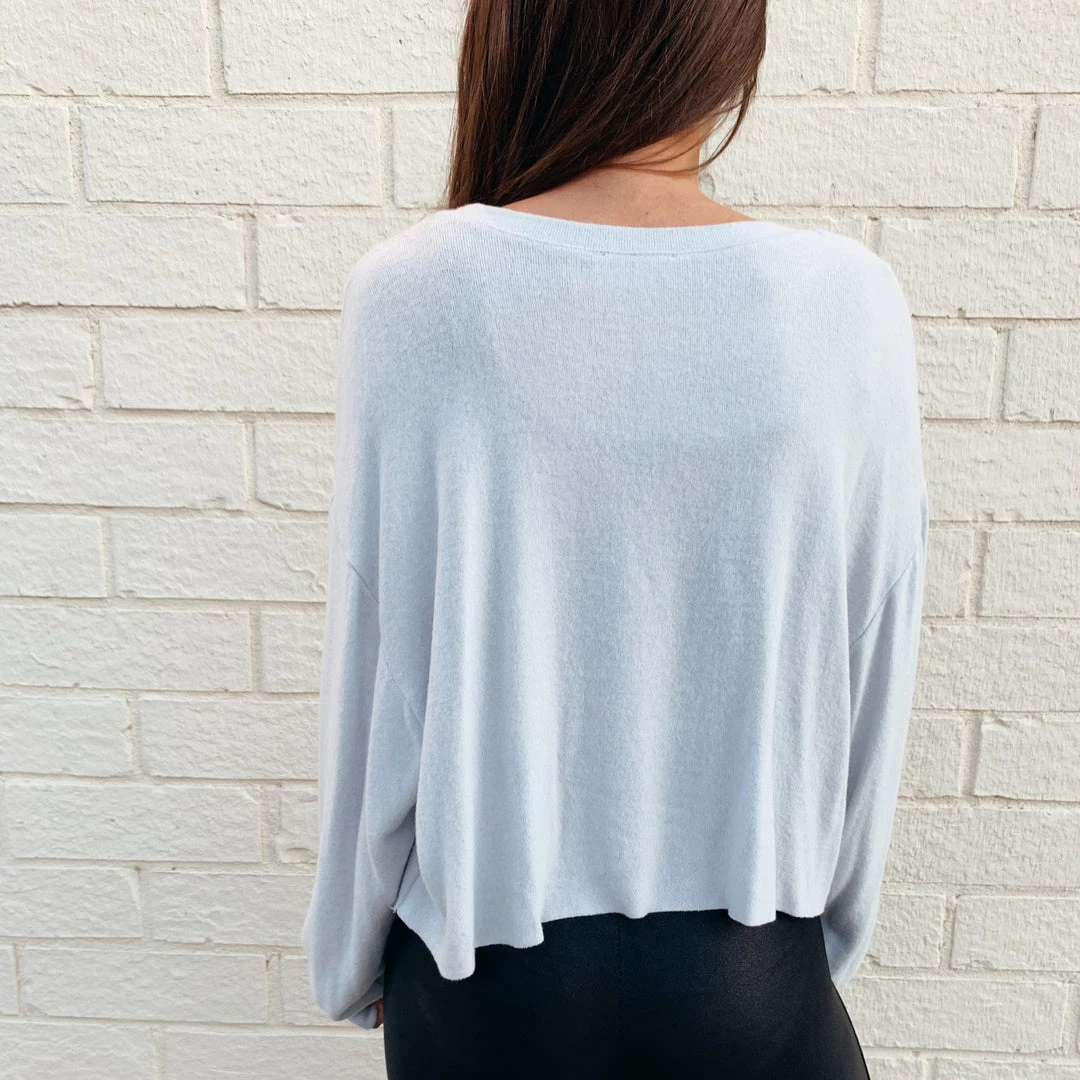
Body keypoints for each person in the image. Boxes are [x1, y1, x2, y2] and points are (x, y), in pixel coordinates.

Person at [300, 1, 930, 1076]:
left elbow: (381, 665)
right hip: (751, 967)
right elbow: (870, 665)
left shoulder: (414, 291)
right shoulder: (846, 302)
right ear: (729, 47)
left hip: (483, 988)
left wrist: (350, 955)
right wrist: (819, 939)